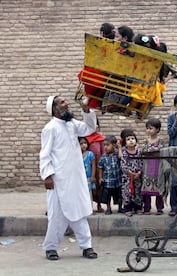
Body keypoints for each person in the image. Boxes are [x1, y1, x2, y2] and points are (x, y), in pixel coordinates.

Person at [39, 96, 98, 261]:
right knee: (57, 215)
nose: (67, 104)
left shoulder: (72, 124)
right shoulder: (50, 128)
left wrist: (86, 110)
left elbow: (89, 128)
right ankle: (50, 248)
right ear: (55, 109)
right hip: (58, 179)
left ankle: (87, 246)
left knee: (79, 212)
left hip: (76, 179)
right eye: (63, 102)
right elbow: (45, 154)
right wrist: (47, 176)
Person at [141, 118, 165, 215]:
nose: (148, 130)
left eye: (151, 128)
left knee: (158, 187)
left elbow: (162, 150)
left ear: (157, 130)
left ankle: (159, 208)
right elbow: (143, 150)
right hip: (147, 167)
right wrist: (153, 150)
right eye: (147, 128)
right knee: (146, 188)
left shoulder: (161, 140)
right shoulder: (145, 141)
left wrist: (151, 150)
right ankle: (147, 208)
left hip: (158, 167)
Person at [97, 135, 122, 215]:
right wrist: (100, 178)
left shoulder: (117, 155)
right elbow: (100, 167)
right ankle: (108, 208)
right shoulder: (103, 157)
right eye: (104, 145)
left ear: (114, 145)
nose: (105, 147)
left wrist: (119, 148)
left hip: (117, 180)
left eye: (107, 145)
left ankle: (120, 207)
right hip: (107, 181)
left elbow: (121, 157)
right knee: (107, 196)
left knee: (119, 195)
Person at [86, 118, 106, 213]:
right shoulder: (85, 139)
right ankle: (87, 206)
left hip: (98, 166)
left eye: (96, 124)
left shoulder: (100, 138)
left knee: (98, 186)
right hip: (87, 166)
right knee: (87, 187)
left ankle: (98, 205)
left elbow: (103, 152)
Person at [79, 137, 96, 211]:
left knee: (89, 194)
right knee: (80, 194)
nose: (83, 145)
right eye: (81, 144)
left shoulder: (90, 154)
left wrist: (92, 176)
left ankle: (90, 209)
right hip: (79, 178)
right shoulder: (76, 155)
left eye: (85, 143)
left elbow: (93, 165)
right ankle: (82, 209)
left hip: (88, 177)